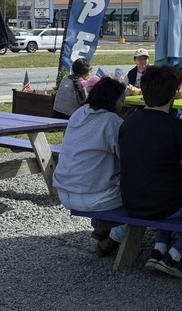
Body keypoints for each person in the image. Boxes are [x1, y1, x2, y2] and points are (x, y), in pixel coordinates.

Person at [119, 65, 182, 279]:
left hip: (132, 201)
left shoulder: (127, 124)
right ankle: (177, 253)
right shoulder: (177, 127)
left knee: (165, 191)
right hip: (167, 204)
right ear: (173, 92)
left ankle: (160, 247)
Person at [53, 77, 127, 256]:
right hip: (93, 195)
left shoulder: (79, 113)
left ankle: (104, 226)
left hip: (63, 191)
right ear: (112, 100)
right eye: (122, 100)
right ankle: (113, 238)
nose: (123, 104)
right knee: (149, 200)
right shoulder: (112, 121)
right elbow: (128, 158)